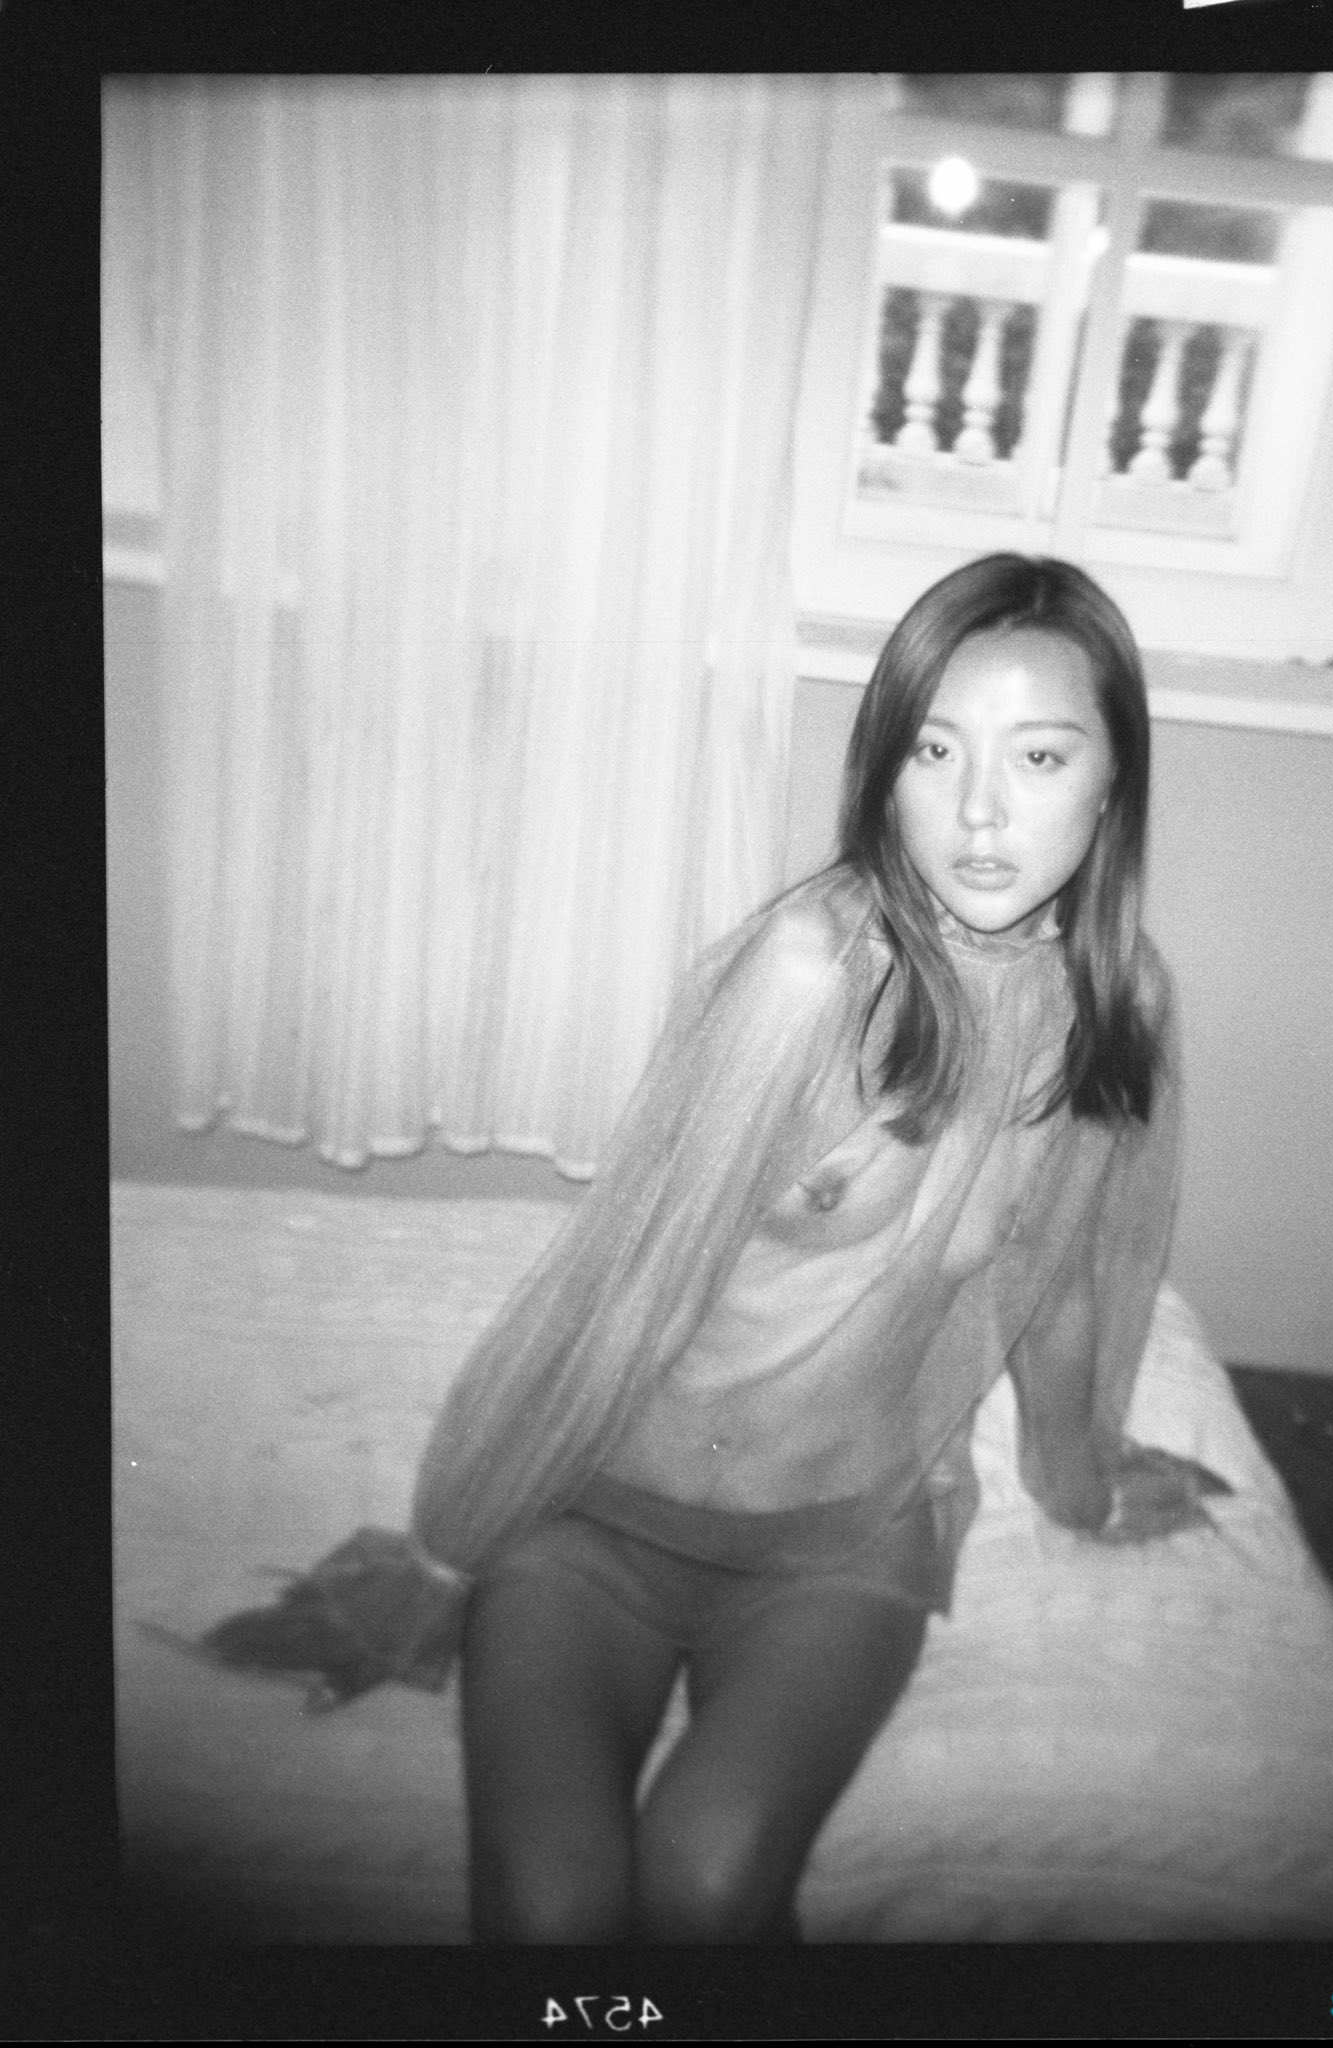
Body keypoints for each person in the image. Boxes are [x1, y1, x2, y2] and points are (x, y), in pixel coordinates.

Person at [196, 552, 1226, 1944]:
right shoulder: (804, 974)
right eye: (934, 751)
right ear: (884, 773)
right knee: (554, 1918)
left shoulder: (1117, 1003)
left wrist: (1077, 1478)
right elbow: (620, 1289)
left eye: (1039, 756)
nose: (979, 809)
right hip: (598, 1522)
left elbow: (1061, 1280)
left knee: (708, 1883)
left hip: (841, 1543)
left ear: (1112, 784)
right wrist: (444, 1554)